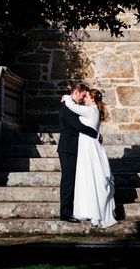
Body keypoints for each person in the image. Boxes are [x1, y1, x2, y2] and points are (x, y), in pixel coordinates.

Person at [62, 88, 117, 228]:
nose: (84, 99)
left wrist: (66, 97)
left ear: (92, 99)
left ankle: (94, 211)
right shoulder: (92, 110)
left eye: (86, 97)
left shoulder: (91, 110)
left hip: (89, 147)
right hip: (86, 146)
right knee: (88, 177)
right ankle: (89, 209)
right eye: (84, 96)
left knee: (92, 177)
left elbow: (73, 106)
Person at [57, 82, 98, 222]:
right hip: (67, 148)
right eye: (82, 95)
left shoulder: (73, 106)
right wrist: (96, 135)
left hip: (74, 148)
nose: (82, 98)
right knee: (68, 180)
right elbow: (79, 126)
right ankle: (65, 212)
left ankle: (72, 209)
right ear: (75, 92)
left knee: (73, 179)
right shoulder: (66, 108)